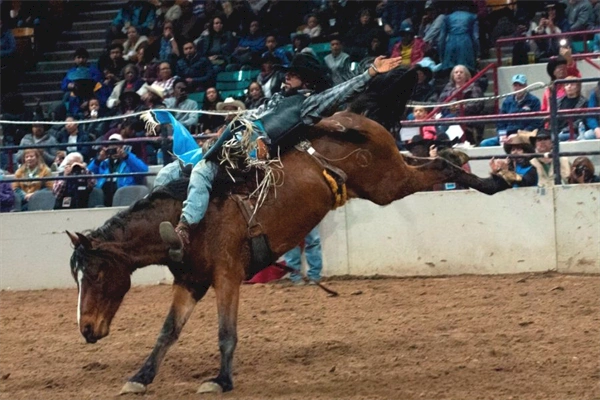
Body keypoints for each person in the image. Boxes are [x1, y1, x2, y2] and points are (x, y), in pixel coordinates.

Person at [158, 53, 403, 261]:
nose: (286, 76)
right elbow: (253, 117)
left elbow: (339, 93)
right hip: (233, 144)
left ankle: (184, 231)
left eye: (293, 74)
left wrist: (370, 72)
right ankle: (158, 222)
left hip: (253, 152)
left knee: (202, 171)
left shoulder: (309, 104)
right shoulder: (277, 99)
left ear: (305, 81)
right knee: (167, 173)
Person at [87, 133, 149, 206]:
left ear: (122, 146)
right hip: (104, 196)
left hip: (124, 196)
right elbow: (88, 173)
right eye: (111, 144)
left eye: (116, 144)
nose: (113, 147)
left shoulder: (130, 160)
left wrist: (126, 157)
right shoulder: (102, 163)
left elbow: (143, 171)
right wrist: (98, 160)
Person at [480, 74, 541, 147]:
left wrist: (520, 135)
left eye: (520, 85)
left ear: (525, 86)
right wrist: (503, 135)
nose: (518, 88)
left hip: (525, 136)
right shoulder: (507, 101)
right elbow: (501, 121)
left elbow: (536, 122)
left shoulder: (534, 101)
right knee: (485, 143)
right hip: (508, 135)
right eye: (515, 85)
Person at [438, 1, 479, 72]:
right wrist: (478, 54)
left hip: (450, 46)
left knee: (452, 74)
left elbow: (441, 39)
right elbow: (475, 37)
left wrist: (441, 56)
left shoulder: (447, 18)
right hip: (466, 45)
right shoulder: (472, 17)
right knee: (467, 73)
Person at [556, 76, 589, 141]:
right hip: (558, 130)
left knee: (560, 137)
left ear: (578, 87)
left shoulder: (584, 102)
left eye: (572, 84)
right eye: (567, 84)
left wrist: (565, 130)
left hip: (575, 132)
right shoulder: (558, 101)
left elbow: (581, 120)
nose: (569, 86)